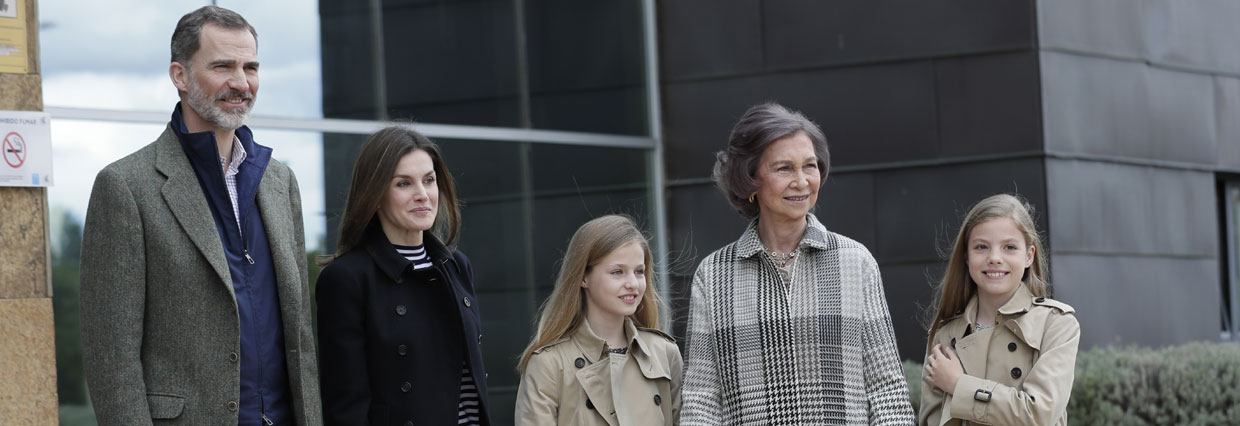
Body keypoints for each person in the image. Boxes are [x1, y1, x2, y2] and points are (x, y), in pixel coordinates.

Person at [79, 6, 321, 425]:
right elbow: (111, 359)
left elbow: (300, 335)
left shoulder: (281, 183)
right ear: (180, 76)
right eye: (223, 66)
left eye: (251, 67)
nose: (241, 82)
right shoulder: (125, 187)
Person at [680, 102, 914, 425]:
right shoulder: (714, 275)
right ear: (750, 178)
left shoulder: (856, 262)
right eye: (784, 168)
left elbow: (888, 391)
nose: (802, 181)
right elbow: (701, 401)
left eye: (810, 166)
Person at [315, 126, 489, 426]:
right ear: (376, 194)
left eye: (429, 181)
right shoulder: (347, 278)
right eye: (404, 184)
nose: (422, 195)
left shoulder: (457, 266)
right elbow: (346, 404)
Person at [918, 194, 1080, 426]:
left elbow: (1039, 415)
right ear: (966, 256)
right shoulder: (945, 334)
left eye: (1009, 247)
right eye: (981, 247)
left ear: (1028, 256)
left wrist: (958, 384)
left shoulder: (1056, 325)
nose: (994, 258)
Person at [515, 215, 683, 425]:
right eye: (617, 272)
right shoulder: (549, 364)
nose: (633, 283)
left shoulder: (664, 353)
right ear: (583, 277)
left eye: (639, 271)